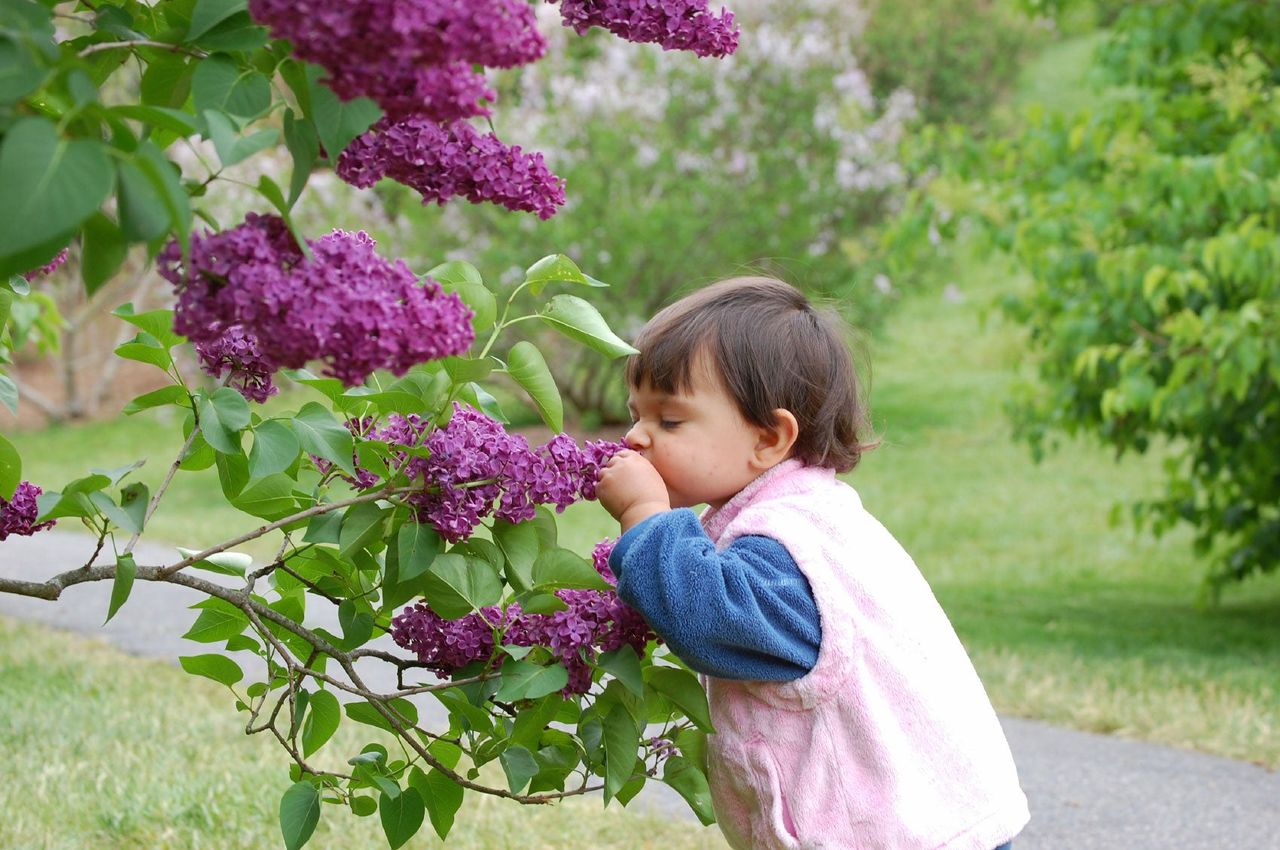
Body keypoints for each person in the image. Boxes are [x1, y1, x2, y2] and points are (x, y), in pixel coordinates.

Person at [596, 277, 1028, 850]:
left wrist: (646, 513)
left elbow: (708, 621)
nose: (635, 437)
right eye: (636, 415)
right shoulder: (812, 515)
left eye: (669, 421)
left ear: (770, 438)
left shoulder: (786, 547)